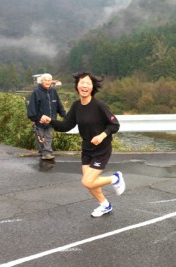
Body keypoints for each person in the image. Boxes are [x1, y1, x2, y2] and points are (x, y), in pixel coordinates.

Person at [39, 72, 125, 218]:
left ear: (92, 87)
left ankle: (115, 178)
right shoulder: (77, 106)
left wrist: (102, 135)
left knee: (87, 181)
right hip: (87, 150)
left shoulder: (99, 106)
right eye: (81, 83)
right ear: (77, 86)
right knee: (91, 184)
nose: (84, 85)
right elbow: (66, 125)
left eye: (88, 83)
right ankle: (105, 205)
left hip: (101, 149)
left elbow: (114, 125)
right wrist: (50, 121)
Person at [27, 73, 66, 160]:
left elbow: (59, 105)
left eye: (49, 80)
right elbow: (32, 107)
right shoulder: (36, 92)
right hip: (40, 121)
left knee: (48, 137)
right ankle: (43, 152)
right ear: (41, 81)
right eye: (46, 80)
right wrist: (34, 118)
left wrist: (64, 115)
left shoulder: (53, 91)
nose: (48, 82)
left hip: (51, 120)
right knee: (41, 137)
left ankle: (47, 153)